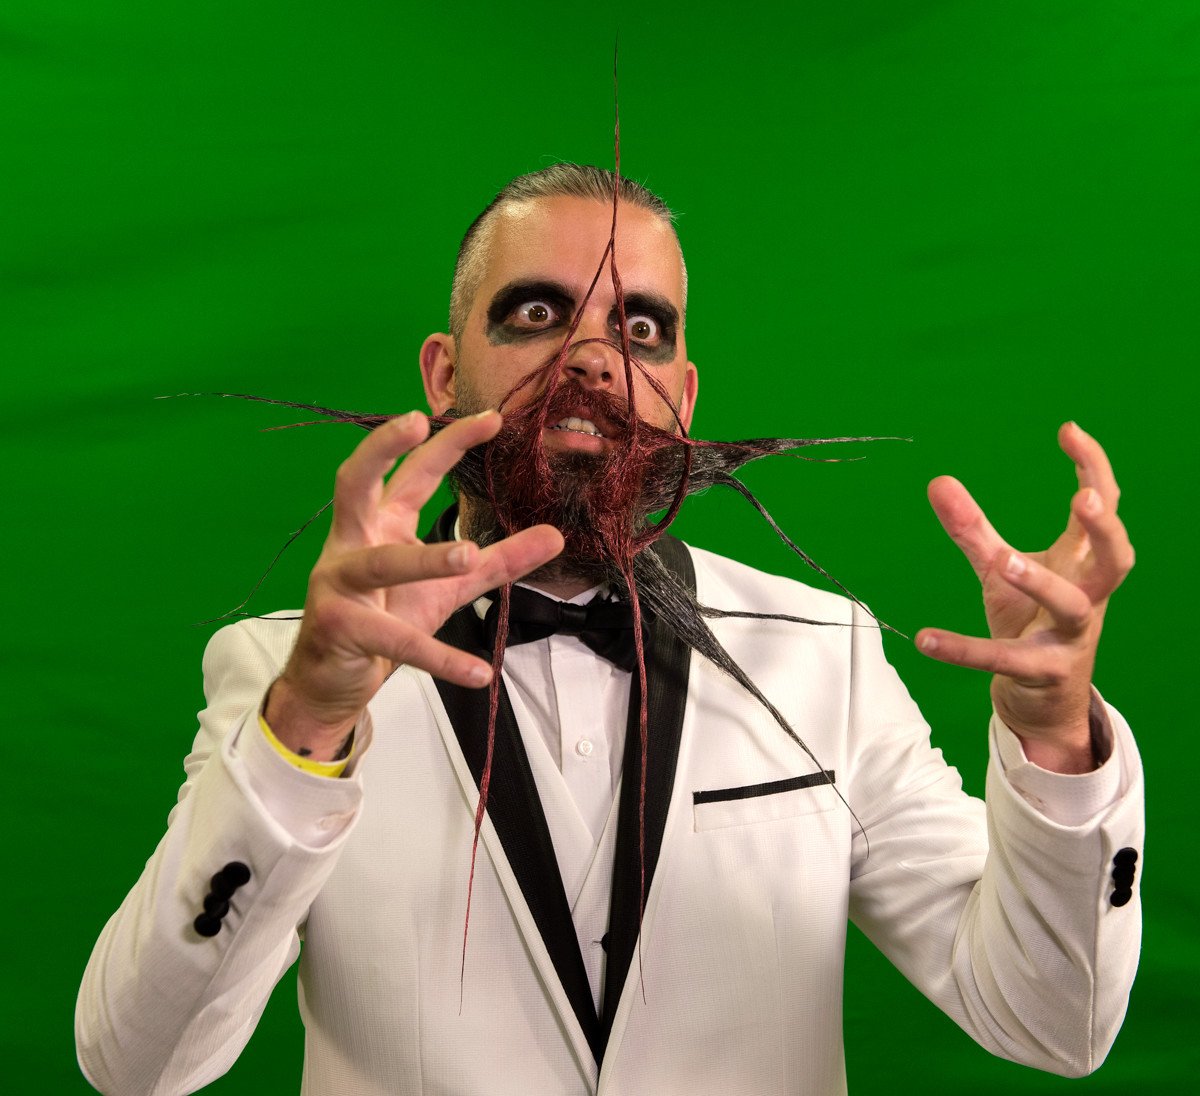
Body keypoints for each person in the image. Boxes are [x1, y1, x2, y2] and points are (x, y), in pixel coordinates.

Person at [76, 165, 1142, 1096]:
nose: (591, 358)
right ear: (443, 372)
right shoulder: (283, 674)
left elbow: (1052, 1021)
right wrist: (308, 724)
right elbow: (138, 1065)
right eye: (537, 313)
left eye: (640, 330)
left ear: (683, 393)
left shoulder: (825, 651)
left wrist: (1054, 739)